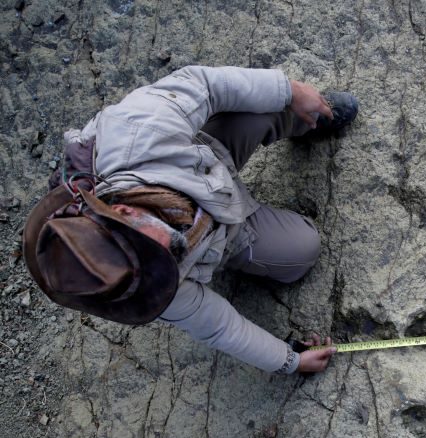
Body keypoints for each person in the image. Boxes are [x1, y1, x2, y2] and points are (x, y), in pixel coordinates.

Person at [22, 66, 359, 374]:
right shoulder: (148, 284)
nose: (170, 256)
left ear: (123, 212)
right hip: (225, 232)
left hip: (207, 155)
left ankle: (309, 116)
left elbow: (207, 85)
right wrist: (291, 360)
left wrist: (289, 91)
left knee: (262, 103)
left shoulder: (136, 131)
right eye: (160, 266)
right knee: (301, 252)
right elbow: (220, 327)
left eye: (155, 248)